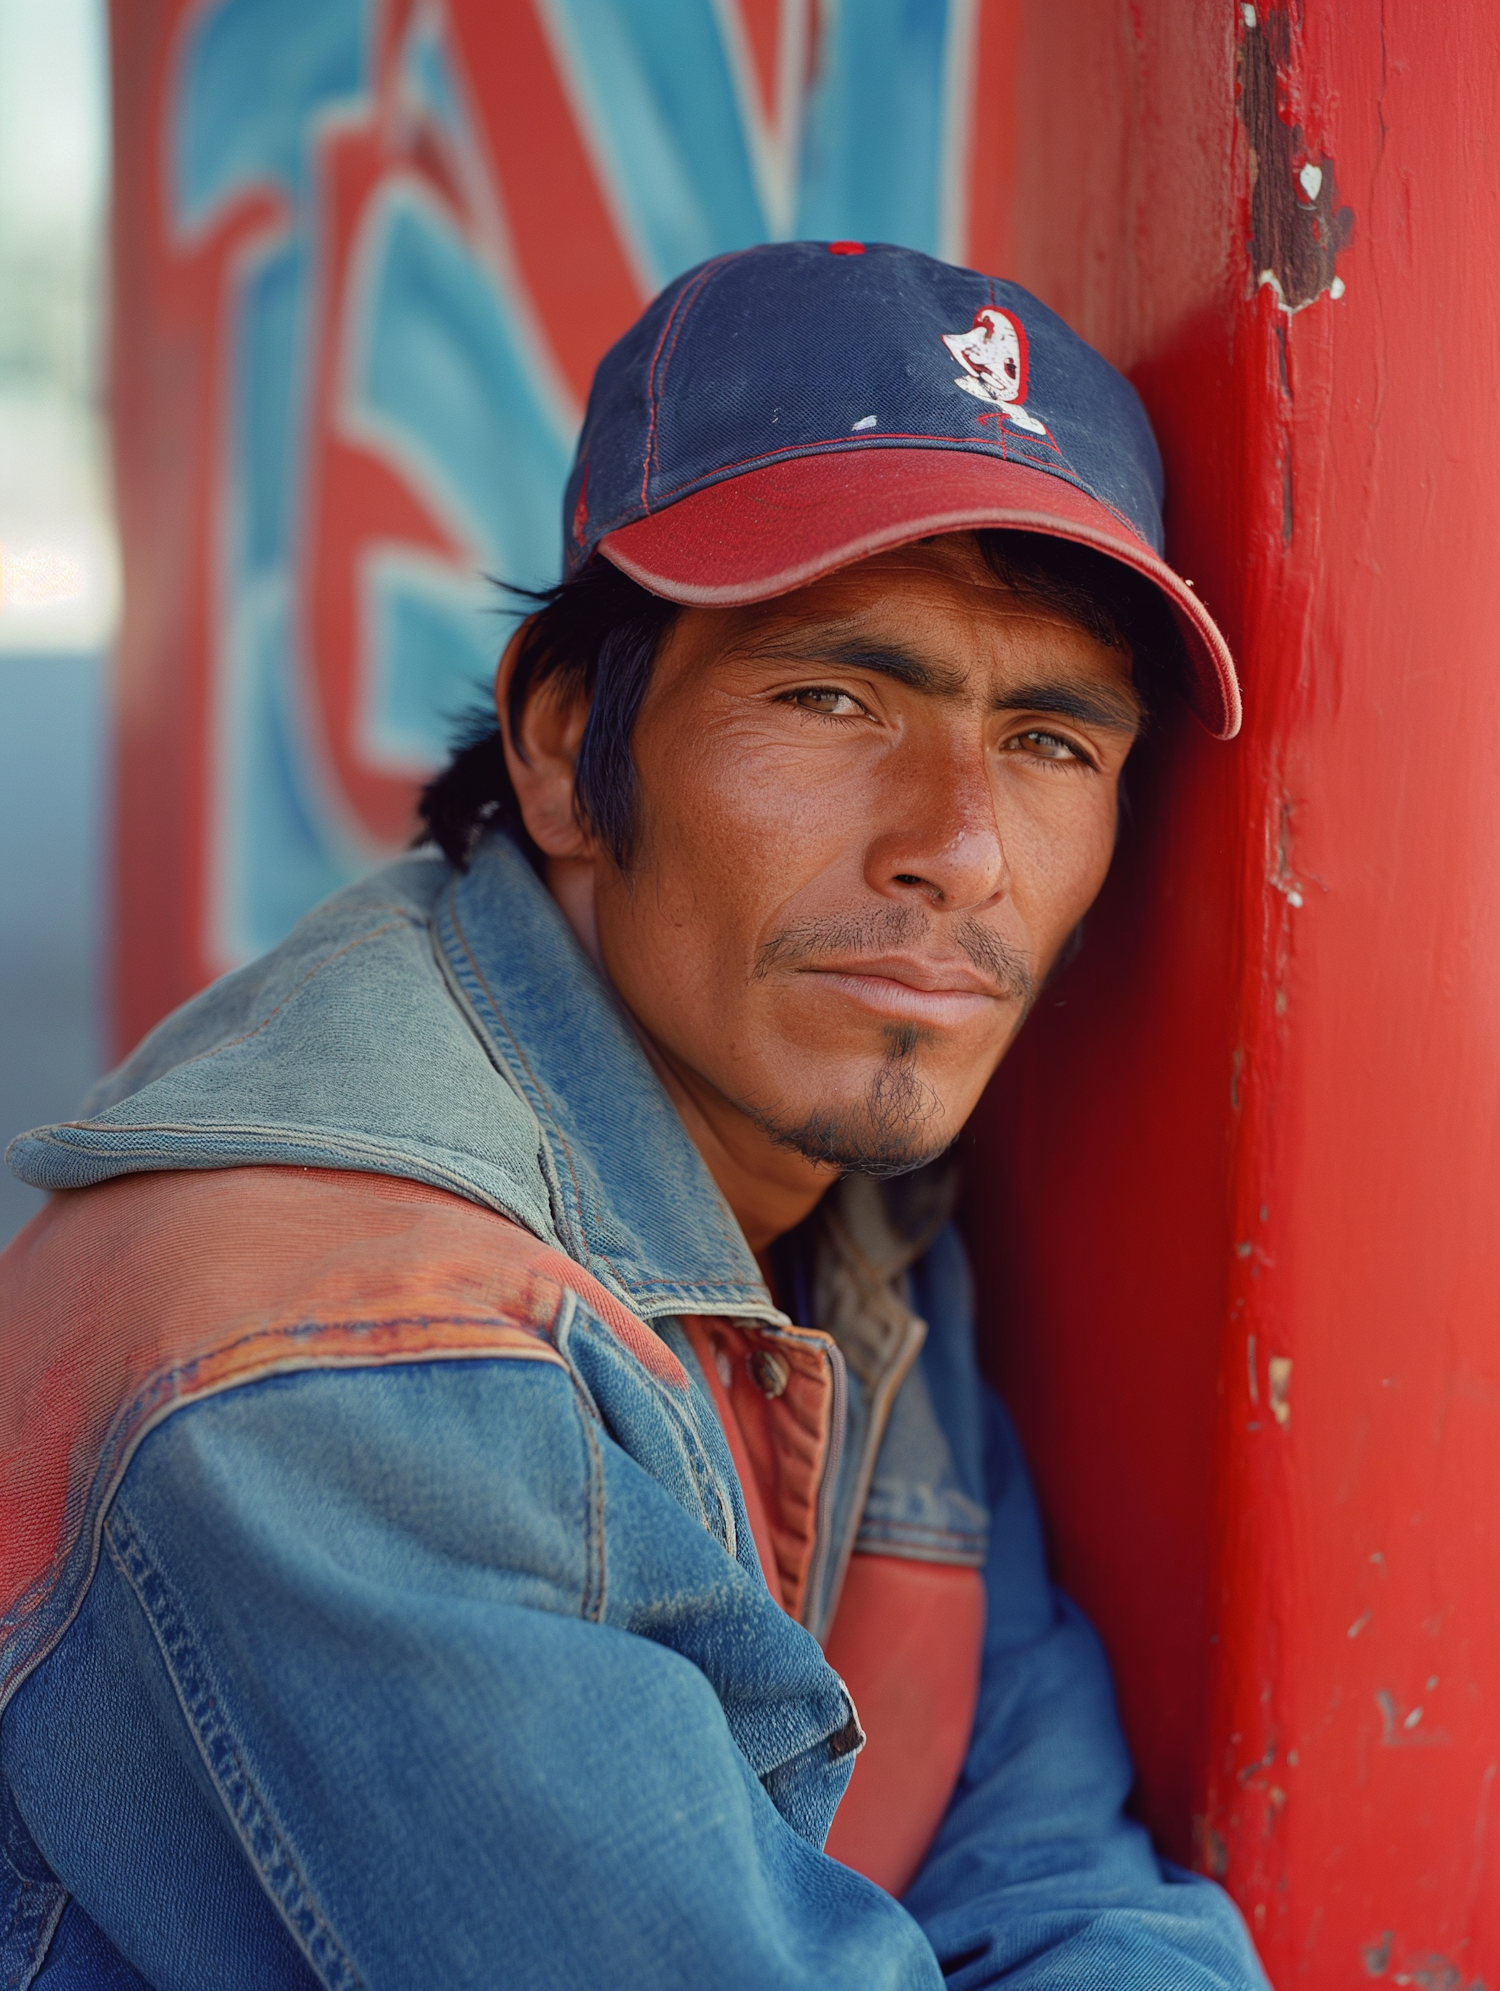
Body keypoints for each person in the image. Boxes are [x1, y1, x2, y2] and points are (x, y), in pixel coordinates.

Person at [0, 241, 1264, 1989]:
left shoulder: (840, 1183)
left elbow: (1056, 1874)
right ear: (565, 737)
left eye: (1051, 739)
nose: (959, 845)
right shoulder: (338, 1357)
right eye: (834, 695)